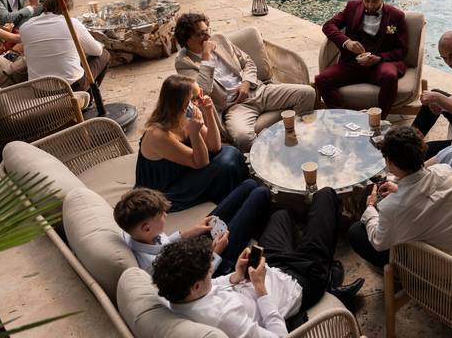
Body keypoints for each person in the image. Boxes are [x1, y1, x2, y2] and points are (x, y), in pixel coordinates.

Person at [152, 188, 364, 335]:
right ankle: (327, 279)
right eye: (208, 271)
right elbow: (279, 337)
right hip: (299, 282)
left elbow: (213, 286)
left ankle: (323, 266)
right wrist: (261, 288)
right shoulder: (225, 317)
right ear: (196, 286)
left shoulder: (177, 297)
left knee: (280, 215)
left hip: (267, 267)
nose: (211, 271)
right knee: (326, 196)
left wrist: (236, 275)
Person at [174, 13, 315, 151]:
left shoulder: (220, 40)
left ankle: (296, 138)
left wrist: (247, 83)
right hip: (234, 106)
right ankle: (272, 153)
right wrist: (206, 57)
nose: (208, 37)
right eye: (200, 34)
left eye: (207, 31)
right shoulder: (184, 63)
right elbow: (202, 90)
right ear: (187, 39)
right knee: (243, 138)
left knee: (308, 93)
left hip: (258, 91)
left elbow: (248, 62)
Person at [347, 125, 452, 269]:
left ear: (390, 162)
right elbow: (425, 194)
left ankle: (399, 275)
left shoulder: (392, 207)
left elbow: (379, 242)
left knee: (356, 232)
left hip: (442, 273)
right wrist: (399, 188)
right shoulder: (446, 171)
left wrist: (370, 207)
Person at [136, 74, 249, 211]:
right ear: (182, 103)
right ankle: (237, 202)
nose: (201, 99)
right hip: (165, 192)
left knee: (231, 152)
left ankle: (244, 193)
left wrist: (208, 111)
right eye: (196, 97)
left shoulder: (184, 116)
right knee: (224, 165)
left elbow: (215, 147)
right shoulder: (158, 135)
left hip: (185, 172)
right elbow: (201, 163)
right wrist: (195, 133)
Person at [114, 183, 269, 277]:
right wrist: (216, 253)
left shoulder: (139, 234)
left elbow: (163, 244)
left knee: (249, 185)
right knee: (260, 194)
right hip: (211, 267)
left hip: (190, 250)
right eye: (161, 215)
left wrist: (192, 231)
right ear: (146, 228)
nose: (166, 215)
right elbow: (193, 283)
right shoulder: (154, 266)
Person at [315, 0, 408, 117]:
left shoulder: (396, 16)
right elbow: (328, 26)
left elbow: (402, 50)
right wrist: (347, 42)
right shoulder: (352, 7)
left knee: (389, 76)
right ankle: (345, 117)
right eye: (366, 0)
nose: (370, 6)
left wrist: (379, 58)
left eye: (375, 1)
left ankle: (379, 119)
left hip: (381, 64)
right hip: (353, 63)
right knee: (321, 80)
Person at [19, 0, 111, 91]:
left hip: (39, 90)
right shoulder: (72, 23)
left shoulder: (25, 27)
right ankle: (90, 97)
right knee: (104, 54)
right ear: (68, 8)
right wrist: (98, 43)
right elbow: (97, 51)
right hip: (71, 87)